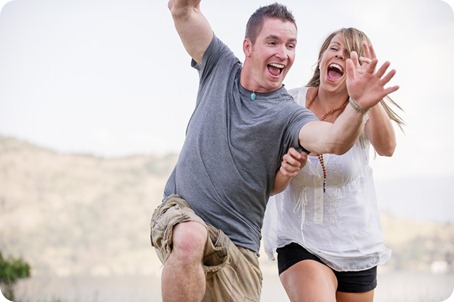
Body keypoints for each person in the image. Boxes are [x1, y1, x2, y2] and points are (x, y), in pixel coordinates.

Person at [150, 1, 399, 301]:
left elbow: (333, 139)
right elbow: (185, 13)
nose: (283, 53)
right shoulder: (219, 65)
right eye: (273, 42)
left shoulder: (288, 114)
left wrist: (360, 105)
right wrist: (182, 7)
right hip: (186, 211)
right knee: (189, 237)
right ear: (248, 46)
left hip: (240, 245)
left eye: (291, 45)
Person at [263, 27, 405, 302]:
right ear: (322, 56)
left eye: (353, 56)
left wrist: (368, 99)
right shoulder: (290, 102)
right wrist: (285, 168)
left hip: (356, 246)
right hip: (299, 240)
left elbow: (387, 148)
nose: (341, 56)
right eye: (335, 48)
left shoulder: (361, 113)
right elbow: (267, 177)